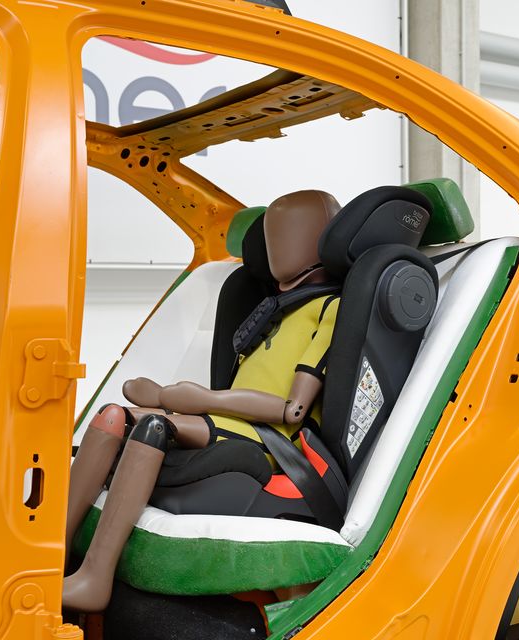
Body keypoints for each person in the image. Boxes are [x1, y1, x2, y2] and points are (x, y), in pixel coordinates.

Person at [62, 189, 342, 611]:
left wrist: (198, 399)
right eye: (271, 235)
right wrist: (168, 396)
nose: (276, 246)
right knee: (112, 417)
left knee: (153, 427)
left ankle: (94, 578)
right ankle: (52, 551)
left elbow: (293, 410)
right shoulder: (273, 308)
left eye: (288, 232)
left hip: (268, 439)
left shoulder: (329, 308)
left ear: (320, 237)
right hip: (226, 419)